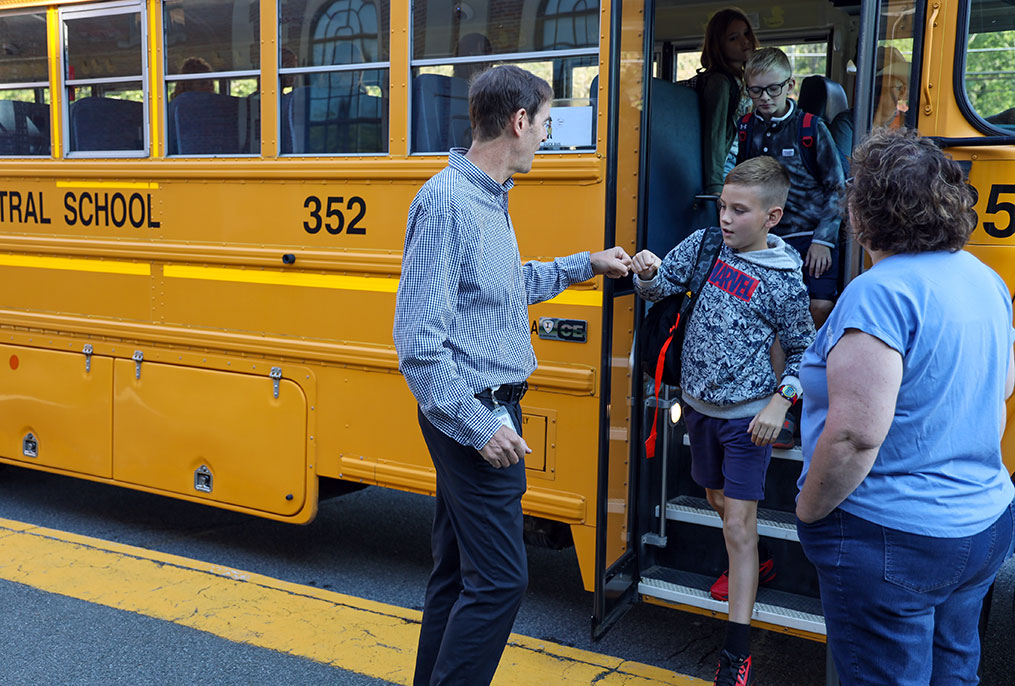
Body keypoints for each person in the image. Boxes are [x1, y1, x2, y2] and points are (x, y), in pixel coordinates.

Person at [392, 65, 631, 686]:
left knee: (459, 571)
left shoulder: (488, 198)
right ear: (518, 121)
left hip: (483, 408)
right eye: (546, 123)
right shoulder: (448, 204)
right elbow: (418, 346)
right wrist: (480, 425)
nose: (549, 136)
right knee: (501, 580)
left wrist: (588, 264)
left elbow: (504, 289)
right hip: (472, 412)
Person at [796, 128, 1015, 686]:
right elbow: (1003, 386)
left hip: (892, 534)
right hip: (982, 524)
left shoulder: (879, 292)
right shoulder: (985, 280)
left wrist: (810, 512)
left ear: (863, 212)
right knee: (954, 673)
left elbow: (853, 438)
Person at [631, 156, 814, 686]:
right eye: (723, 207)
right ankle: (757, 563)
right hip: (698, 411)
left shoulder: (784, 281)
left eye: (740, 211)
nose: (726, 219)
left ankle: (736, 653)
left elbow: (805, 352)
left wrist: (781, 402)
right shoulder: (707, 245)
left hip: (746, 419)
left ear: (772, 218)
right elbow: (659, 289)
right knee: (715, 500)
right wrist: (647, 272)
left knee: (737, 524)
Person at [738, 47, 844, 331]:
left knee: (819, 305)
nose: (765, 98)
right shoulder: (746, 129)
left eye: (773, 89)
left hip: (809, 235)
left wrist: (823, 241)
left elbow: (837, 189)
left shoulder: (810, 128)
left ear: (790, 85)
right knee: (765, 309)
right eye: (755, 91)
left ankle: (806, 369)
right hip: (765, 237)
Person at [693, 8, 759, 195]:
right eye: (733, 38)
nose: (745, 41)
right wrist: (714, 185)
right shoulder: (720, 82)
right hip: (725, 164)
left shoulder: (746, 80)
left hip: (741, 161)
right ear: (719, 46)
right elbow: (715, 133)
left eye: (746, 33)